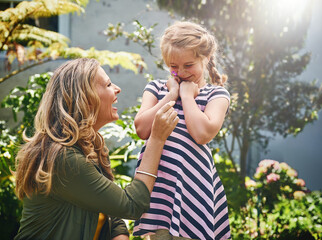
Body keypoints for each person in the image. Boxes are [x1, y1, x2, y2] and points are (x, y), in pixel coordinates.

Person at [13, 58, 179, 240]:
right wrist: (156, 139)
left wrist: (120, 235)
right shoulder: (63, 158)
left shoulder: (89, 146)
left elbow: (108, 207)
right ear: (86, 98)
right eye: (108, 85)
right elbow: (131, 205)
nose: (117, 89)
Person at [133, 21, 231, 240]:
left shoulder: (216, 95)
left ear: (205, 58)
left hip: (192, 192)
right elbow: (142, 128)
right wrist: (171, 95)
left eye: (189, 65)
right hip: (158, 190)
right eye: (174, 66)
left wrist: (187, 96)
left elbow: (202, 133)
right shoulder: (157, 89)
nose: (181, 72)